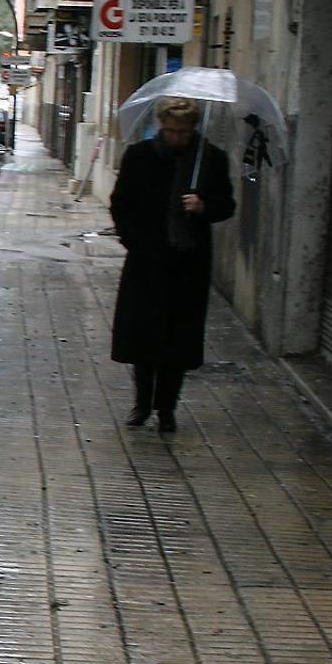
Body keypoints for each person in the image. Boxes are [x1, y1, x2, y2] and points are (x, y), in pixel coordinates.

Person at [110, 97, 236, 433]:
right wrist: (134, 241)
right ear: (161, 126)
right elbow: (121, 203)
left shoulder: (211, 159)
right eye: (170, 130)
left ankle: (167, 408)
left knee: (177, 340)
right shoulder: (139, 156)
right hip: (147, 262)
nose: (176, 137)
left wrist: (203, 206)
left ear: (193, 128)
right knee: (143, 337)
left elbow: (227, 205)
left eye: (183, 132)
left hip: (188, 264)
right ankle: (141, 404)